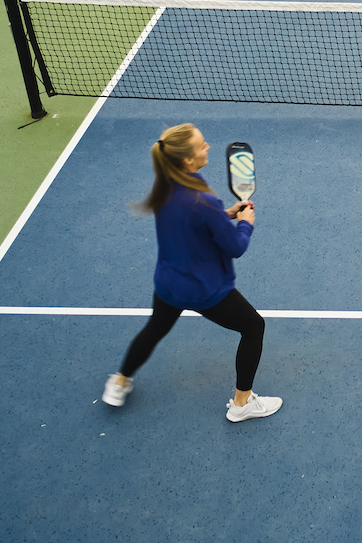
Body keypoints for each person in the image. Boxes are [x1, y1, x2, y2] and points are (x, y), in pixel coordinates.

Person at [102, 123, 281, 423]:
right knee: (253, 327)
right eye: (201, 145)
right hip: (204, 289)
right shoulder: (204, 201)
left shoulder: (166, 185)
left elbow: (193, 222)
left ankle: (119, 381)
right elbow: (235, 246)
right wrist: (246, 221)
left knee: (155, 328)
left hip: (169, 283)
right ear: (187, 159)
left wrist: (224, 216)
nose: (208, 146)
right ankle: (242, 403)